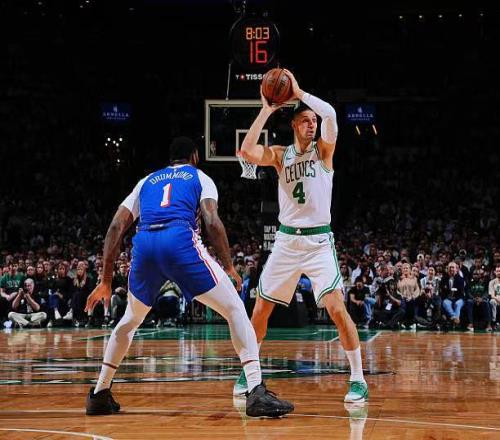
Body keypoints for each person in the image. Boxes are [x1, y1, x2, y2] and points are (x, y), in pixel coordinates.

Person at [84, 136, 293, 418]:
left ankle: (99, 393)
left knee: (130, 320)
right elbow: (211, 221)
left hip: (145, 245)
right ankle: (255, 389)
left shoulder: (146, 181)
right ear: (194, 156)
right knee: (235, 309)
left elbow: (115, 227)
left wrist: (106, 280)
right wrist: (229, 267)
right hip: (179, 241)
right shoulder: (200, 177)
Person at [236, 70, 368, 402]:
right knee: (260, 310)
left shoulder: (324, 151)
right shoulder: (281, 155)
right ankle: (249, 372)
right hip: (286, 242)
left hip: (319, 242)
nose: (312, 124)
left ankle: (358, 379)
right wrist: (266, 109)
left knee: (336, 309)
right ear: (295, 124)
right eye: (306, 120)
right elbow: (247, 151)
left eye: (313, 121)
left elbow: (331, 114)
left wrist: (299, 93)